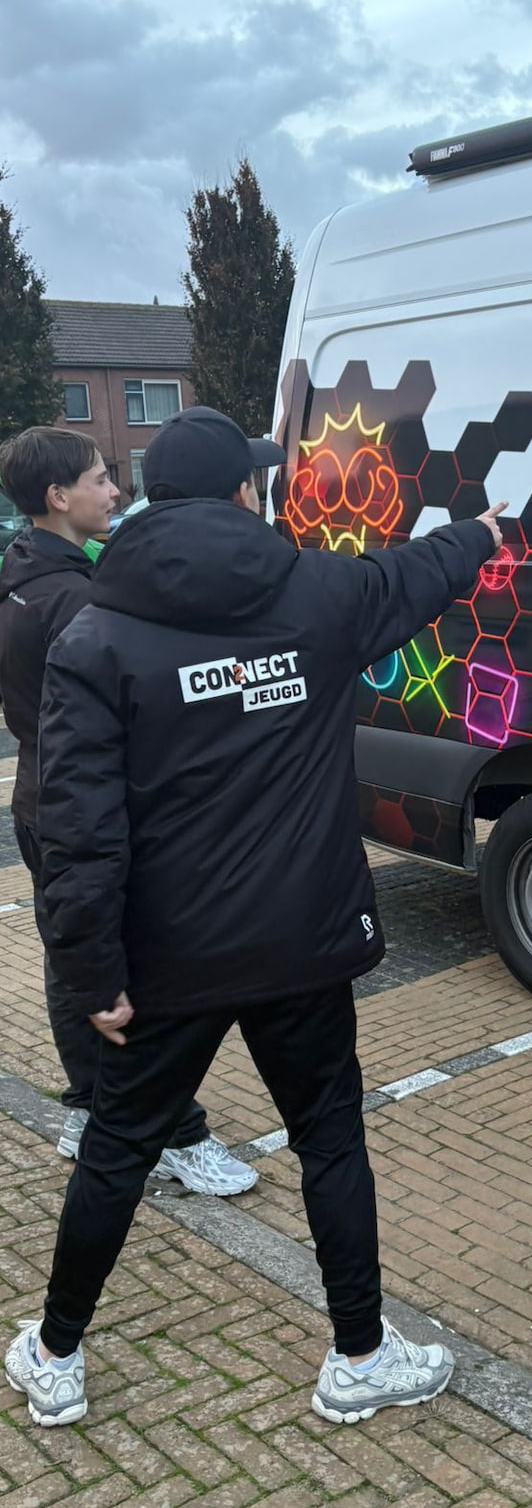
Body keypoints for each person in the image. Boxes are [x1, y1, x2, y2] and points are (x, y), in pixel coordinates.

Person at [3, 405, 506, 1429]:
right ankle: (358, 1354)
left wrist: (90, 969)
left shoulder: (98, 631)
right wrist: (486, 535)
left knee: (118, 1147)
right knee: (330, 1142)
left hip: (166, 957)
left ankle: (55, 1353)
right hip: (303, 940)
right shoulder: (318, 593)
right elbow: (416, 573)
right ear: (242, 492)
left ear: (151, 498)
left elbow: (77, 820)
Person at [0, 426, 255, 1194]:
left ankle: (87, 1106)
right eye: (102, 478)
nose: (115, 493)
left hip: (40, 798)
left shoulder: (19, 573)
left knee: (70, 955)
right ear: (58, 497)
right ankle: (173, 1132)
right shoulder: (77, 597)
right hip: (92, 807)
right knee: (132, 967)